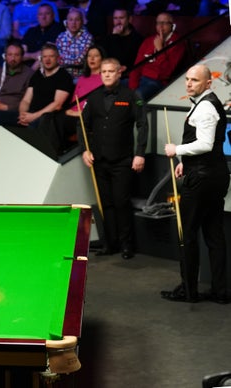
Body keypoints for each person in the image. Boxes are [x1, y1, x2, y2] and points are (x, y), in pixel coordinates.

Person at [162, 64, 230, 304]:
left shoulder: (206, 108)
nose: (189, 84)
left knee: (187, 234)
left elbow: (205, 144)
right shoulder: (207, 104)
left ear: (208, 83)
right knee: (214, 234)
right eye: (187, 79)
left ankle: (189, 291)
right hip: (213, 175)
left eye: (195, 80)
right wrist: (185, 162)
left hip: (201, 180)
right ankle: (220, 292)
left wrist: (176, 150)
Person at [80, 58, 148, 260]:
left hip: (122, 160)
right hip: (99, 160)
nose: (107, 75)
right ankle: (110, 244)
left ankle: (127, 245)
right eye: (104, 71)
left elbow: (142, 125)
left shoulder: (131, 96)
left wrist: (140, 153)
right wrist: (85, 150)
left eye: (111, 71)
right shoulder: (93, 98)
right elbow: (82, 125)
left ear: (119, 73)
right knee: (106, 204)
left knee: (121, 202)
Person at [17, 43, 74, 152]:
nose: (47, 59)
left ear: (58, 58)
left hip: (49, 116)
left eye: (51, 56)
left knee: (38, 123)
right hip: (31, 113)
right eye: (44, 57)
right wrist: (22, 115)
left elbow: (57, 104)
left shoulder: (64, 76)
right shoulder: (37, 74)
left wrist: (33, 116)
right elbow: (26, 100)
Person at [128, 12, 186, 100]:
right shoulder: (148, 41)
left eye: (164, 23)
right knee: (114, 87)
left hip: (158, 82)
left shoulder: (178, 44)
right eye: (158, 23)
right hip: (141, 78)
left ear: (172, 26)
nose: (161, 26)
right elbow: (137, 66)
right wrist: (132, 87)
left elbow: (167, 73)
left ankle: (136, 113)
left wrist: (160, 49)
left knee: (138, 95)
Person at [62, 44, 105, 148]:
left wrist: (78, 113)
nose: (92, 58)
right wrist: (70, 111)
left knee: (59, 122)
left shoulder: (105, 78)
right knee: (49, 118)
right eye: (89, 56)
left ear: (102, 59)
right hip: (74, 114)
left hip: (87, 117)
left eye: (96, 56)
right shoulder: (82, 79)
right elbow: (73, 102)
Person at [101, 7, 143, 82]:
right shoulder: (109, 37)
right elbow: (102, 56)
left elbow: (121, 59)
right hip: (107, 74)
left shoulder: (137, 39)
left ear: (129, 19)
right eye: (115, 18)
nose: (118, 22)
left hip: (125, 77)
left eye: (121, 18)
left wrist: (115, 37)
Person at [20, 2, 65, 70]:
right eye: (40, 14)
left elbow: (45, 55)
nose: (43, 17)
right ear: (37, 17)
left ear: (53, 15)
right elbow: (21, 55)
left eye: (47, 14)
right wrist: (33, 55)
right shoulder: (31, 31)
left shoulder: (59, 29)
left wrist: (29, 75)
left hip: (45, 69)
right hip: (26, 69)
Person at [55, 7, 94, 81]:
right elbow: (56, 59)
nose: (73, 23)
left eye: (77, 20)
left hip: (80, 77)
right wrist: (65, 59)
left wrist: (63, 59)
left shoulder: (88, 37)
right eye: (71, 20)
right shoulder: (61, 37)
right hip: (62, 75)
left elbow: (79, 61)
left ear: (82, 22)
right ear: (66, 22)